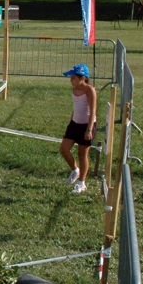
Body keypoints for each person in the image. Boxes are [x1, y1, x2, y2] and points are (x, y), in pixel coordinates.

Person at [60, 63, 98, 194]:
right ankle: (75, 170)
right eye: (71, 78)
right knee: (64, 149)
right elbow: (76, 107)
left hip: (86, 125)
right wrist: (71, 122)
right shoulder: (74, 89)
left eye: (73, 78)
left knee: (82, 155)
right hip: (74, 124)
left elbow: (93, 111)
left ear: (83, 78)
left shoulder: (90, 90)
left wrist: (89, 129)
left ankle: (82, 183)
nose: (71, 80)